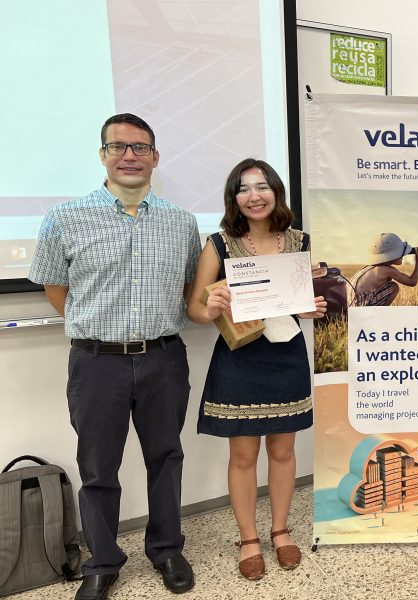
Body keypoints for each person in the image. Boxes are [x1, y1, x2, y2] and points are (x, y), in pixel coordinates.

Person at [29, 113, 201, 600]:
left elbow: (188, 288)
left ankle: (167, 549)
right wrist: (100, 328)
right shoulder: (65, 218)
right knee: (98, 467)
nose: (130, 155)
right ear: (102, 155)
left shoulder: (181, 223)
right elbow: (56, 290)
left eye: (140, 147)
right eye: (119, 146)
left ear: (155, 157)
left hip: (164, 359)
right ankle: (103, 562)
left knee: (165, 457)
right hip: (96, 362)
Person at [187, 159, 326, 580]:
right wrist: (209, 307)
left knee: (284, 450)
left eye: (262, 187)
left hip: (286, 356)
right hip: (239, 359)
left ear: (276, 192)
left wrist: (313, 308)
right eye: (244, 189)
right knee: (243, 453)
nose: (254, 196)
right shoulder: (219, 244)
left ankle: (280, 531)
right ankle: (248, 538)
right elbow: (194, 309)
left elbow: (302, 301)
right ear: (234, 199)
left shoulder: (300, 242)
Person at [349, 232, 418, 306]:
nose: (403, 255)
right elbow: (412, 282)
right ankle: (381, 313)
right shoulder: (387, 270)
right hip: (358, 307)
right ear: (391, 255)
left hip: (349, 306)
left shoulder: (368, 268)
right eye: (401, 253)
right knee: (394, 286)